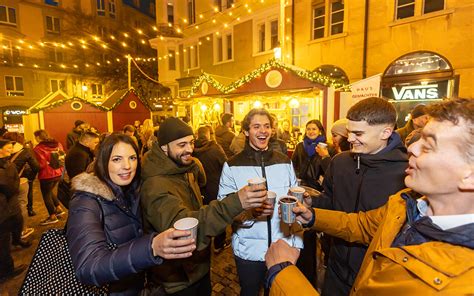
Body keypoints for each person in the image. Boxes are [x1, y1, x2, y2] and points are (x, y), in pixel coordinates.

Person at [265, 97, 474, 295]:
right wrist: (312, 216)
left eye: (429, 145)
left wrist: (282, 271)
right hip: (338, 269)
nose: (411, 147)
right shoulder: (406, 202)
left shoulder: (462, 282)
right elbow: (363, 225)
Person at [140, 117, 268, 295]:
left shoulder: (184, 169)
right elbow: (184, 229)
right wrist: (237, 202)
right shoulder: (155, 185)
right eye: (181, 145)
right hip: (178, 282)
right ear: (164, 147)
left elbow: (199, 207)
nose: (189, 149)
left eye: (191, 143)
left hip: (197, 270)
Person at [67, 134, 196, 295]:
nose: (127, 165)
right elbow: (88, 267)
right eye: (117, 159)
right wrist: (151, 248)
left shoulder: (132, 191)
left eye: (132, 158)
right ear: (102, 161)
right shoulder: (86, 201)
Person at [308, 97, 408, 296]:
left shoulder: (407, 173)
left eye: (358, 133)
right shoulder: (340, 162)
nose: (350, 139)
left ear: (385, 132)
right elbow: (331, 202)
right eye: (349, 132)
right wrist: (311, 201)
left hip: (376, 277)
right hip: (335, 268)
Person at [218, 108, 302, 296]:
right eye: (256, 126)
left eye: (266, 126)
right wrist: (250, 214)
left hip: (282, 247)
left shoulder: (284, 161)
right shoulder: (232, 165)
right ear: (246, 131)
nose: (263, 131)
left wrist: (296, 242)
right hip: (249, 250)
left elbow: (294, 197)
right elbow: (224, 208)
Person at [192, 126, 229, 253]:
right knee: (219, 215)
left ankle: (203, 243)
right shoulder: (215, 148)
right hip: (216, 187)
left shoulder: (192, 150)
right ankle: (219, 244)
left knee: (203, 216)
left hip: (200, 189)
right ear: (209, 135)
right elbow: (226, 165)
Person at [0, 139, 28, 283]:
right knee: (3, 241)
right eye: (8, 148)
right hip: (4, 209)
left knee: (12, 227)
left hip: (8, 207)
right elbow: (10, 186)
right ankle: (6, 271)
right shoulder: (4, 166)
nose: (11, 150)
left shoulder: (6, 163)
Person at [3, 132, 39, 239]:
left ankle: (8, 230)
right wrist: (30, 177)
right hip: (20, 181)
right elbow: (36, 166)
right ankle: (22, 230)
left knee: (6, 205)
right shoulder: (25, 151)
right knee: (22, 204)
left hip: (4, 183)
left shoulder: (3, 151)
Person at [33, 129, 66, 225]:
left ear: (38, 137)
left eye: (35, 137)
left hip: (46, 175)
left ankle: (52, 216)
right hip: (58, 172)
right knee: (49, 191)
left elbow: (41, 164)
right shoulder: (58, 144)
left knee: (46, 195)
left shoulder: (38, 149)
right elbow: (62, 157)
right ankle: (58, 208)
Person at [291, 119, 328, 191]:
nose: (311, 132)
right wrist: (296, 177)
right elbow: (293, 164)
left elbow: (330, 169)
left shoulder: (327, 147)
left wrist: (322, 179)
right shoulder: (300, 146)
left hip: (318, 188)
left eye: (314, 129)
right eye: (308, 129)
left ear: (319, 131)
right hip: (300, 186)